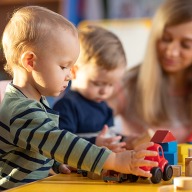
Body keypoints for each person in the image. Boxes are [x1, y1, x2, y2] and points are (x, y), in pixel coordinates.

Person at [0, 6, 158, 190]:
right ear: (30, 61)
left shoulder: (34, 102)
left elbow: (38, 147)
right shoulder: (22, 111)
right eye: (63, 66)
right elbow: (60, 142)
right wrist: (114, 160)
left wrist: (57, 163)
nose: (69, 75)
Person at [107, 0, 192, 148]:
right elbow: (84, 127)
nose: (171, 52)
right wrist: (127, 142)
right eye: (166, 39)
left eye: (185, 45)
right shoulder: (127, 84)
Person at [53, 25, 127, 154]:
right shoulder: (67, 106)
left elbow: (110, 136)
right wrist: (95, 143)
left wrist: (127, 139)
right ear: (74, 72)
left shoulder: (104, 107)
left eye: (111, 84)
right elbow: (61, 144)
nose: (105, 91)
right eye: (98, 83)